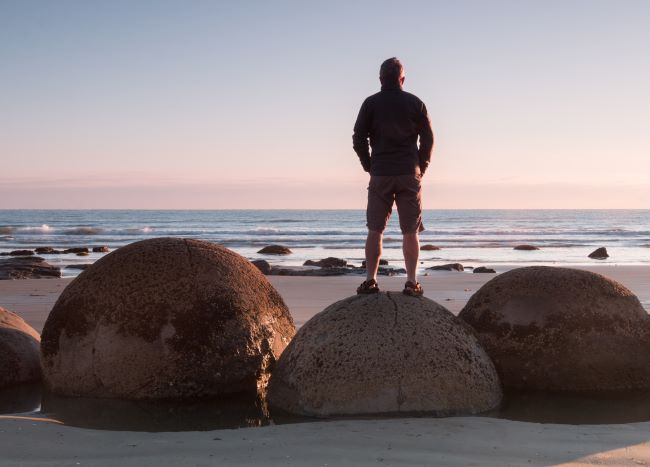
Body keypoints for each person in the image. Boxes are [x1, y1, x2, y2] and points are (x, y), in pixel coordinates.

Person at [353, 57, 434, 296]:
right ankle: (411, 281)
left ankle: (371, 280)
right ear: (402, 79)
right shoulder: (415, 103)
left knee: (375, 229)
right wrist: (421, 166)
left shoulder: (371, 103)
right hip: (409, 172)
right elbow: (428, 140)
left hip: (381, 173)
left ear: (380, 79)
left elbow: (358, 138)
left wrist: (369, 165)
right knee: (410, 230)